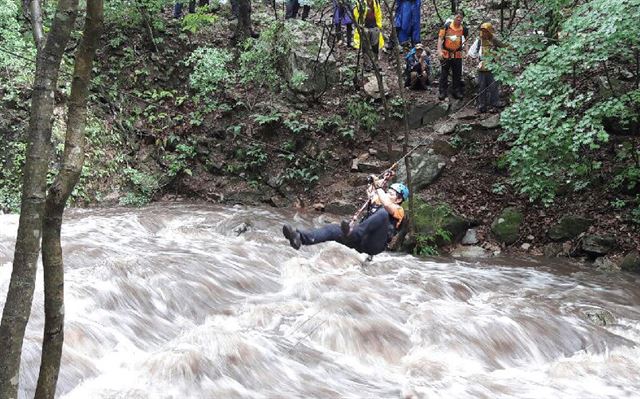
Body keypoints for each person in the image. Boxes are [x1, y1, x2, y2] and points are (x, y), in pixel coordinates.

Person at [282, 179, 409, 257]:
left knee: (383, 213)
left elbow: (386, 204)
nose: (387, 194)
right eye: (387, 192)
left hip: (374, 244)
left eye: (391, 194)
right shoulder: (378, 199)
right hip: (359, 240)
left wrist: (379, 187)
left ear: (398, 200)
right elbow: (371, 190)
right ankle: (300, 238)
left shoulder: (398, 210)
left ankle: (353, 232)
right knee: (332, 229)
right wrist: (377, 182)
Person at [468, 22, 505, 113]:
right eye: (482, 31)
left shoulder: (494, 40)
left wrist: (498, 55)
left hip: (493, 66)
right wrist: (477, 59)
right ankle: (482, 105)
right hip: (482, 67)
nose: (484, 33)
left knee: (493, 86)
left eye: (486, 31)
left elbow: (505, 47)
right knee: (481, 87)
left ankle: (495, 103)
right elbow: (472, 53)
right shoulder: (479, 41)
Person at [437, 10, 468, 100]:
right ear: (454, 16)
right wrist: (439, 51)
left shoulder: (464, 29)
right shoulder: (446, 26)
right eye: (457, 17)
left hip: (457, 53)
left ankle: (456, 91)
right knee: (444, 73)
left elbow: (466, 41)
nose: (459, 19)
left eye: (461, 17)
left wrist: (466, 51)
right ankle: (442, 91)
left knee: (457, 73)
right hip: (446, 52)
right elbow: (440, 38)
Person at [353, 0, 385, 70]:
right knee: (365, 46)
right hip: (364, 27)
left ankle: (375, 63)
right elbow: (356, 14)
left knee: (375, 46)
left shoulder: (375, 2)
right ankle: (367, 64)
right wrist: (360, 26)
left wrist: (379, 26)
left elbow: (378, 14)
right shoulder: (360, 3)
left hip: (374, 27)